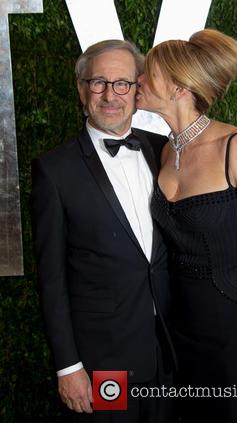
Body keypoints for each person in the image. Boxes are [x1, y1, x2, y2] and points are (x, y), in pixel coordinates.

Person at [136, 28, 237, 422]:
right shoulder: (162, 152)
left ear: (177, 87)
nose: (137, 80)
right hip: (182, 323)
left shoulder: (236, 148)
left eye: (148, 73)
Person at [31, 39, 176, 423]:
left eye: (122, 84)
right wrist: (68, 366)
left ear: (137, 89)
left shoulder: (164, 150)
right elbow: (52, 278)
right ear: (82, 90)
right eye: (99, 83)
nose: (110, 95)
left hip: (171, 355)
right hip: (103, 362)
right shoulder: (54, 170)